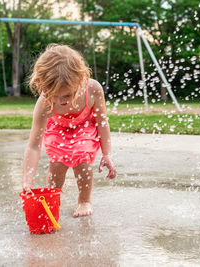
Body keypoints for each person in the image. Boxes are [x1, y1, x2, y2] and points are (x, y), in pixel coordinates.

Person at [22, 44, 117, 217]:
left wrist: (106, 154)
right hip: (58, 129)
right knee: (57, 164)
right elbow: (33, 146)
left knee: (82, 158)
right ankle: (52, 200)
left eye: (67, 95)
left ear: (81, 79)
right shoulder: (44, 103)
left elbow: (102, 123)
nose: (61, 101)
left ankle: (84, 201)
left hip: (84, 127)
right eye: (54, 96)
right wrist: (28, 182)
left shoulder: (93, 90)